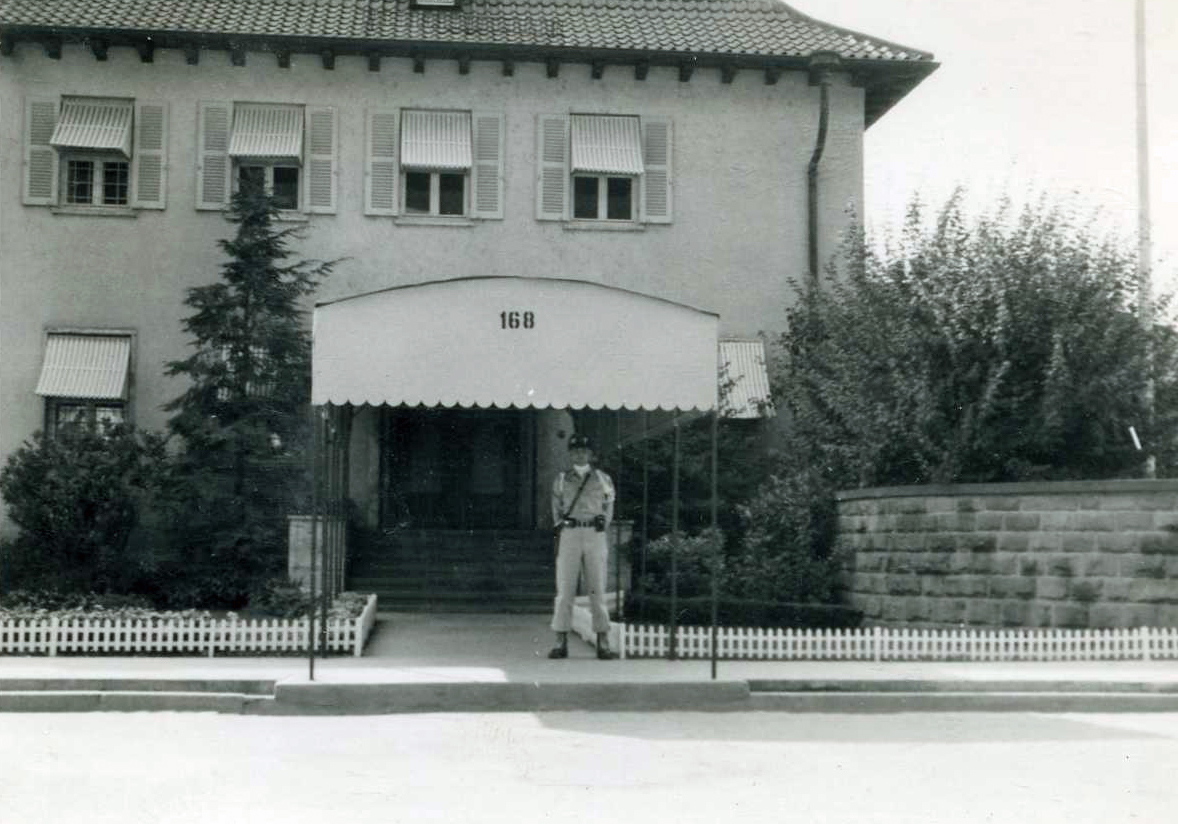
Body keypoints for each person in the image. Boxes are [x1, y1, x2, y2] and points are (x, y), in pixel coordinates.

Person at [547, 433, 617, 660]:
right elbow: (556, 506)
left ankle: (603, 640)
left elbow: (609, 503)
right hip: (571, 533)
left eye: (584, 451)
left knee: (597, 587)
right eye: (576, 451)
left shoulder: (602, 478)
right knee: (565, 587)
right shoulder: (561, 479)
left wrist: (605, 523)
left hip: (594, 533)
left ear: (590, 454)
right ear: (570, 454)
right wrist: (560, 524)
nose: (580, 455)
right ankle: (560, 639)